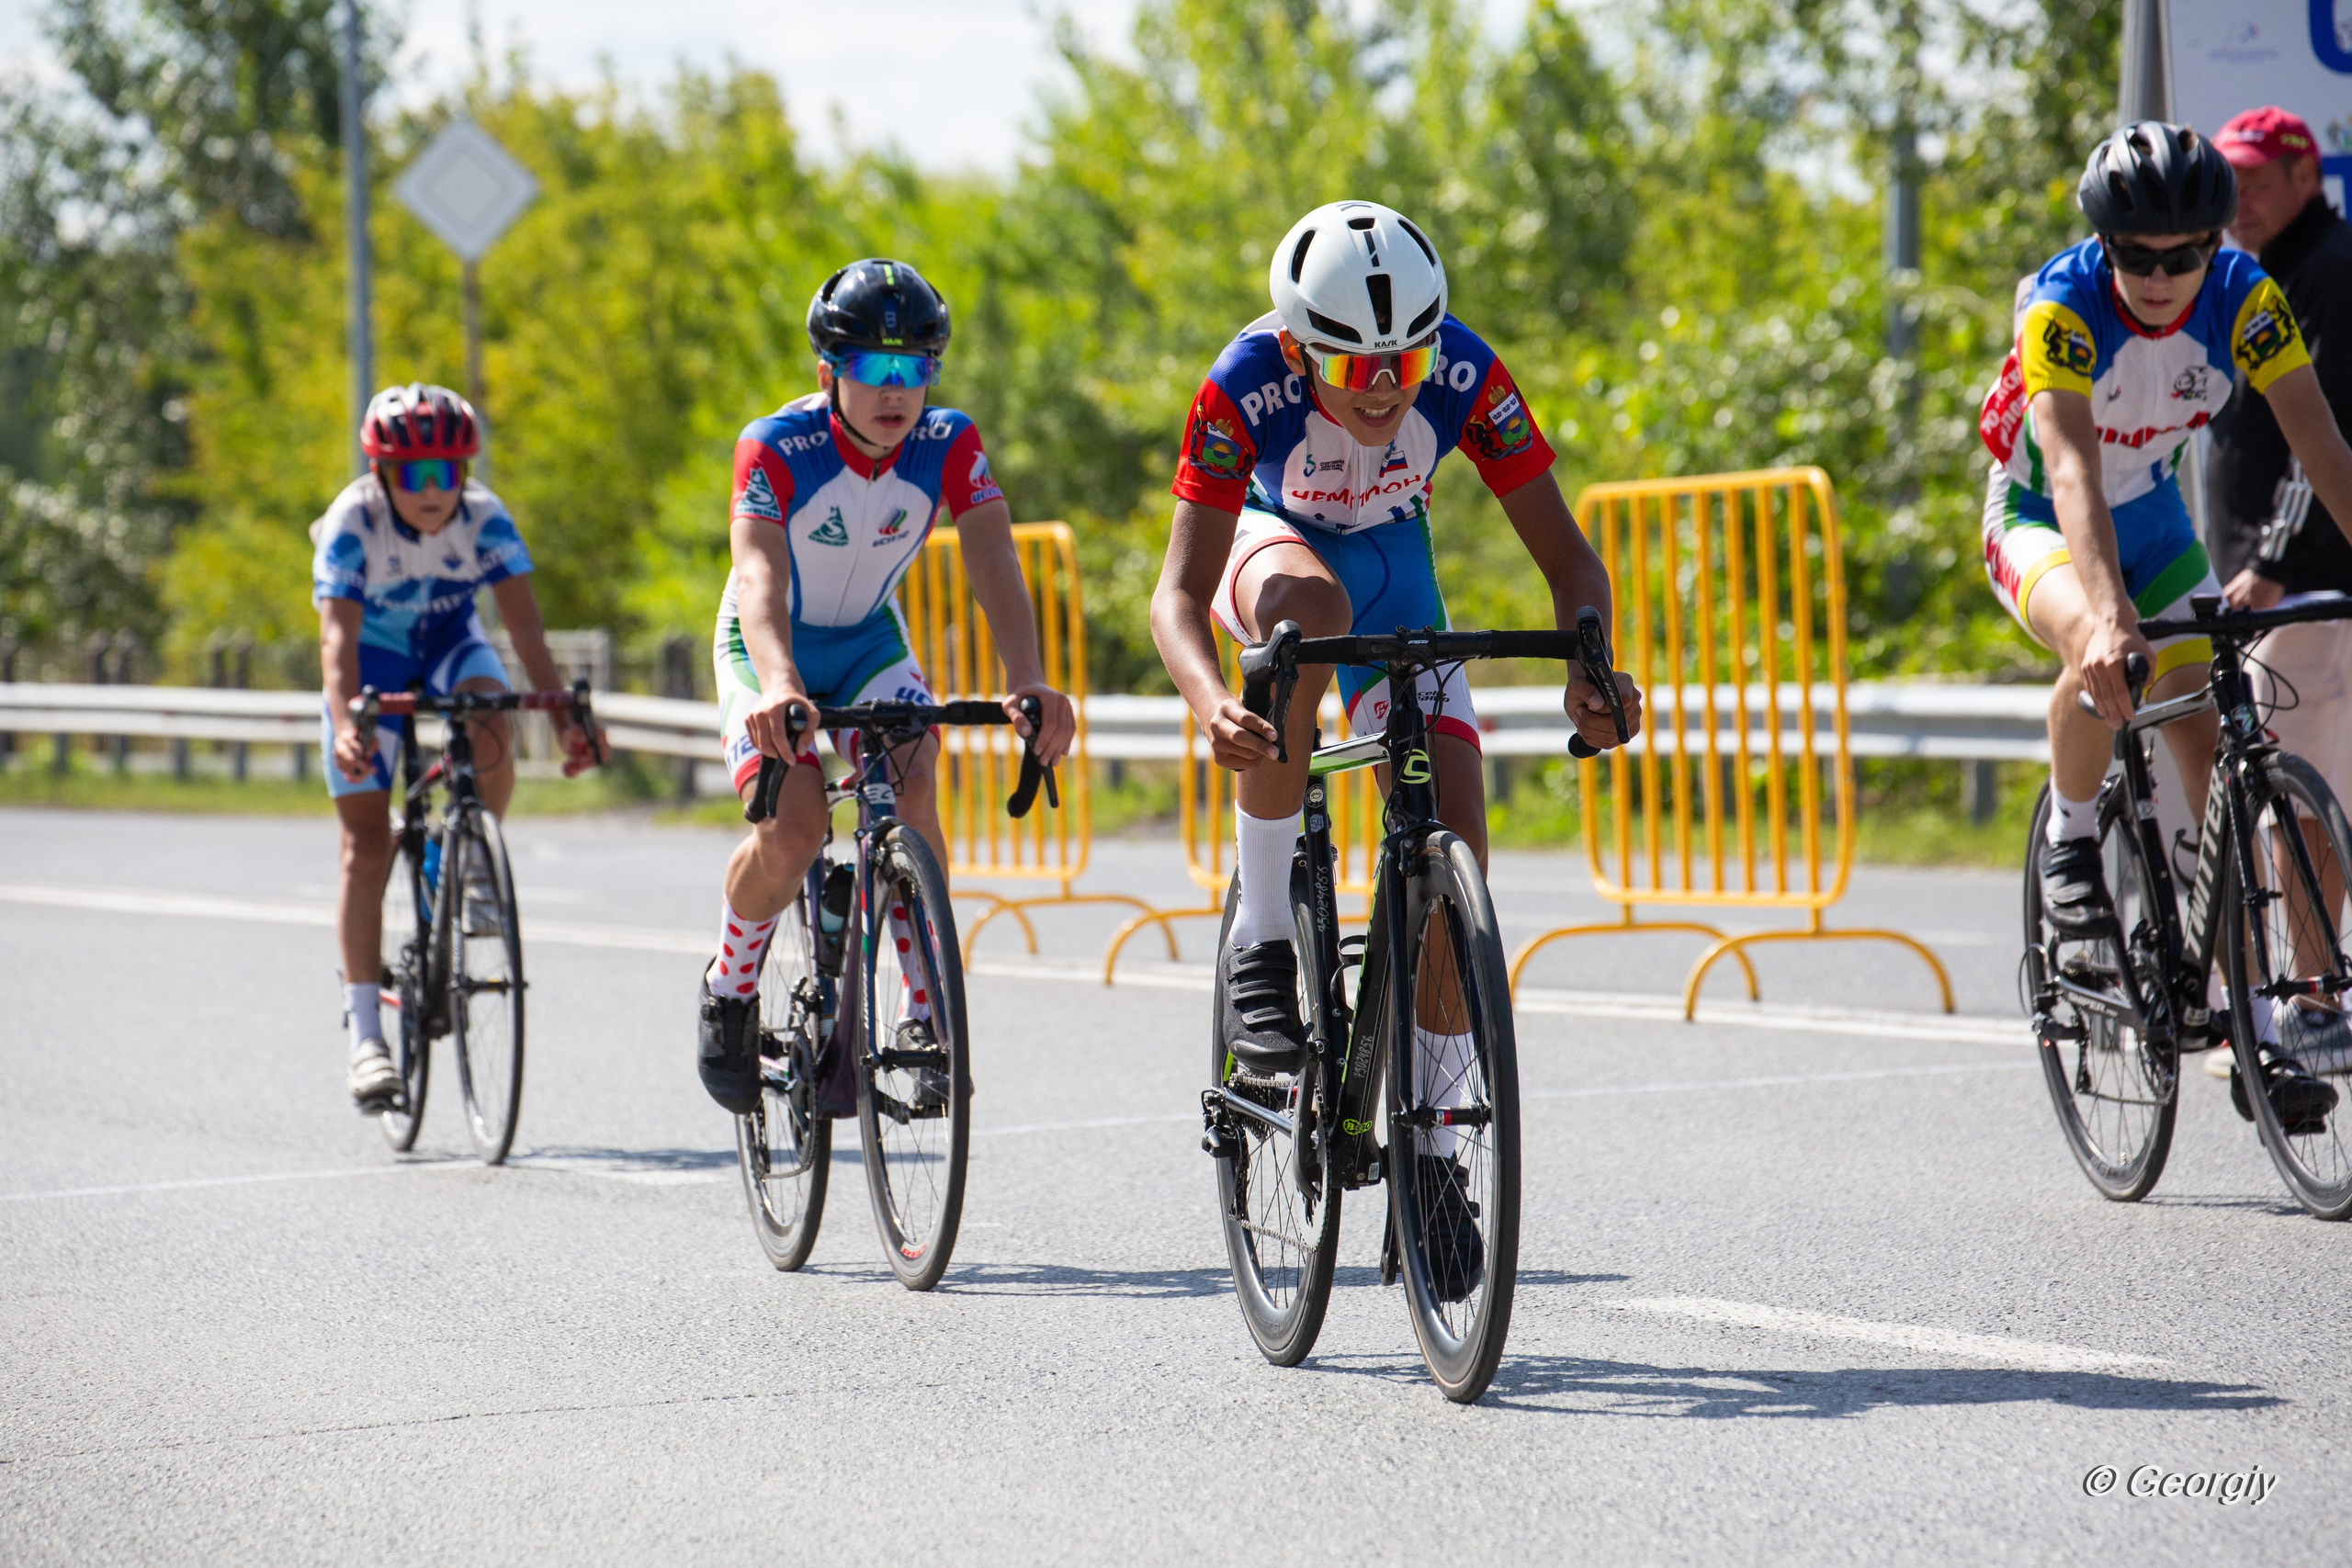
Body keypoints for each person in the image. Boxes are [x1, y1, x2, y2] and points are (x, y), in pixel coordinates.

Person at [1151, 198, 1640, 1070]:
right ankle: (1262, 940)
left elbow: (1571, 564)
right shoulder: (1242, 383)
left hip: (1391, 556)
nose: (1385, 386)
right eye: (1352, 362)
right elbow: (1178, 594)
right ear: (1299, 351)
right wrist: (1212, 701)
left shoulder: (1466, 375)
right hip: (1271, 542)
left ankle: (1442, 1150)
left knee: (1459, 842)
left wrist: (1592, 668)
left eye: (1406, 357)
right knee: (1310, 611)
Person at [1978, 121, 2352, 1126]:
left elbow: (2321, 448)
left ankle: (2252, 1030)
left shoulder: (2246, 301)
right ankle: (2067, 846)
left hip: (2150, 514)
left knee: (2211, 747)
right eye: (2135, 257)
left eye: (2181, 256)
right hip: (2041, 514)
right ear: (2105, 247)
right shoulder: (2062, 305)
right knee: (2101, 657)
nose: (2157, 276)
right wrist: (2104, 617)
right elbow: (2066, 474)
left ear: (2211, 245)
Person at [697, 258, 1077, 1114]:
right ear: (828, 372)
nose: (896, 389)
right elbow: (758, 576)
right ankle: (729, 982)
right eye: (874, 368)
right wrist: (780, 686)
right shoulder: (776, 445)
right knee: (793, 831)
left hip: (870, 640)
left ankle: (921, 1008)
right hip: (768, 647)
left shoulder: (951, 444)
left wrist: (1029, 681)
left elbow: (995, 562)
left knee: (913, 787)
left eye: (917, 368)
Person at [316, 383, 598, 1110]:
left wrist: (563, 716)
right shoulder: (353, 521)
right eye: (415, 475)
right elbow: (337, 641)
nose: (433, 490)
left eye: (447, 472)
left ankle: (469, 851)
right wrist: (349, 721)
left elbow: (527, 635)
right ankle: (367, 1038)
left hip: (447, 644)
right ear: (382, 474)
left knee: (492, 706)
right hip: (371, 666)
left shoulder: (484, 518)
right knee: (366, 844)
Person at [2205, 106, 2352, 1081]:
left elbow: (2325, 430)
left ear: (2306, 176)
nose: (2239, 200)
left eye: (2257, 179)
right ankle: (2305, 995)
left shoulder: (2326, 272)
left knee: (2292, 797)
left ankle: (2309, 1000)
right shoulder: (2258, 275)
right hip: (2289, 579)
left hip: (2301, 585)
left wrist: (2274, 559)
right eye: (2228, 183)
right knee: (2306, 788)